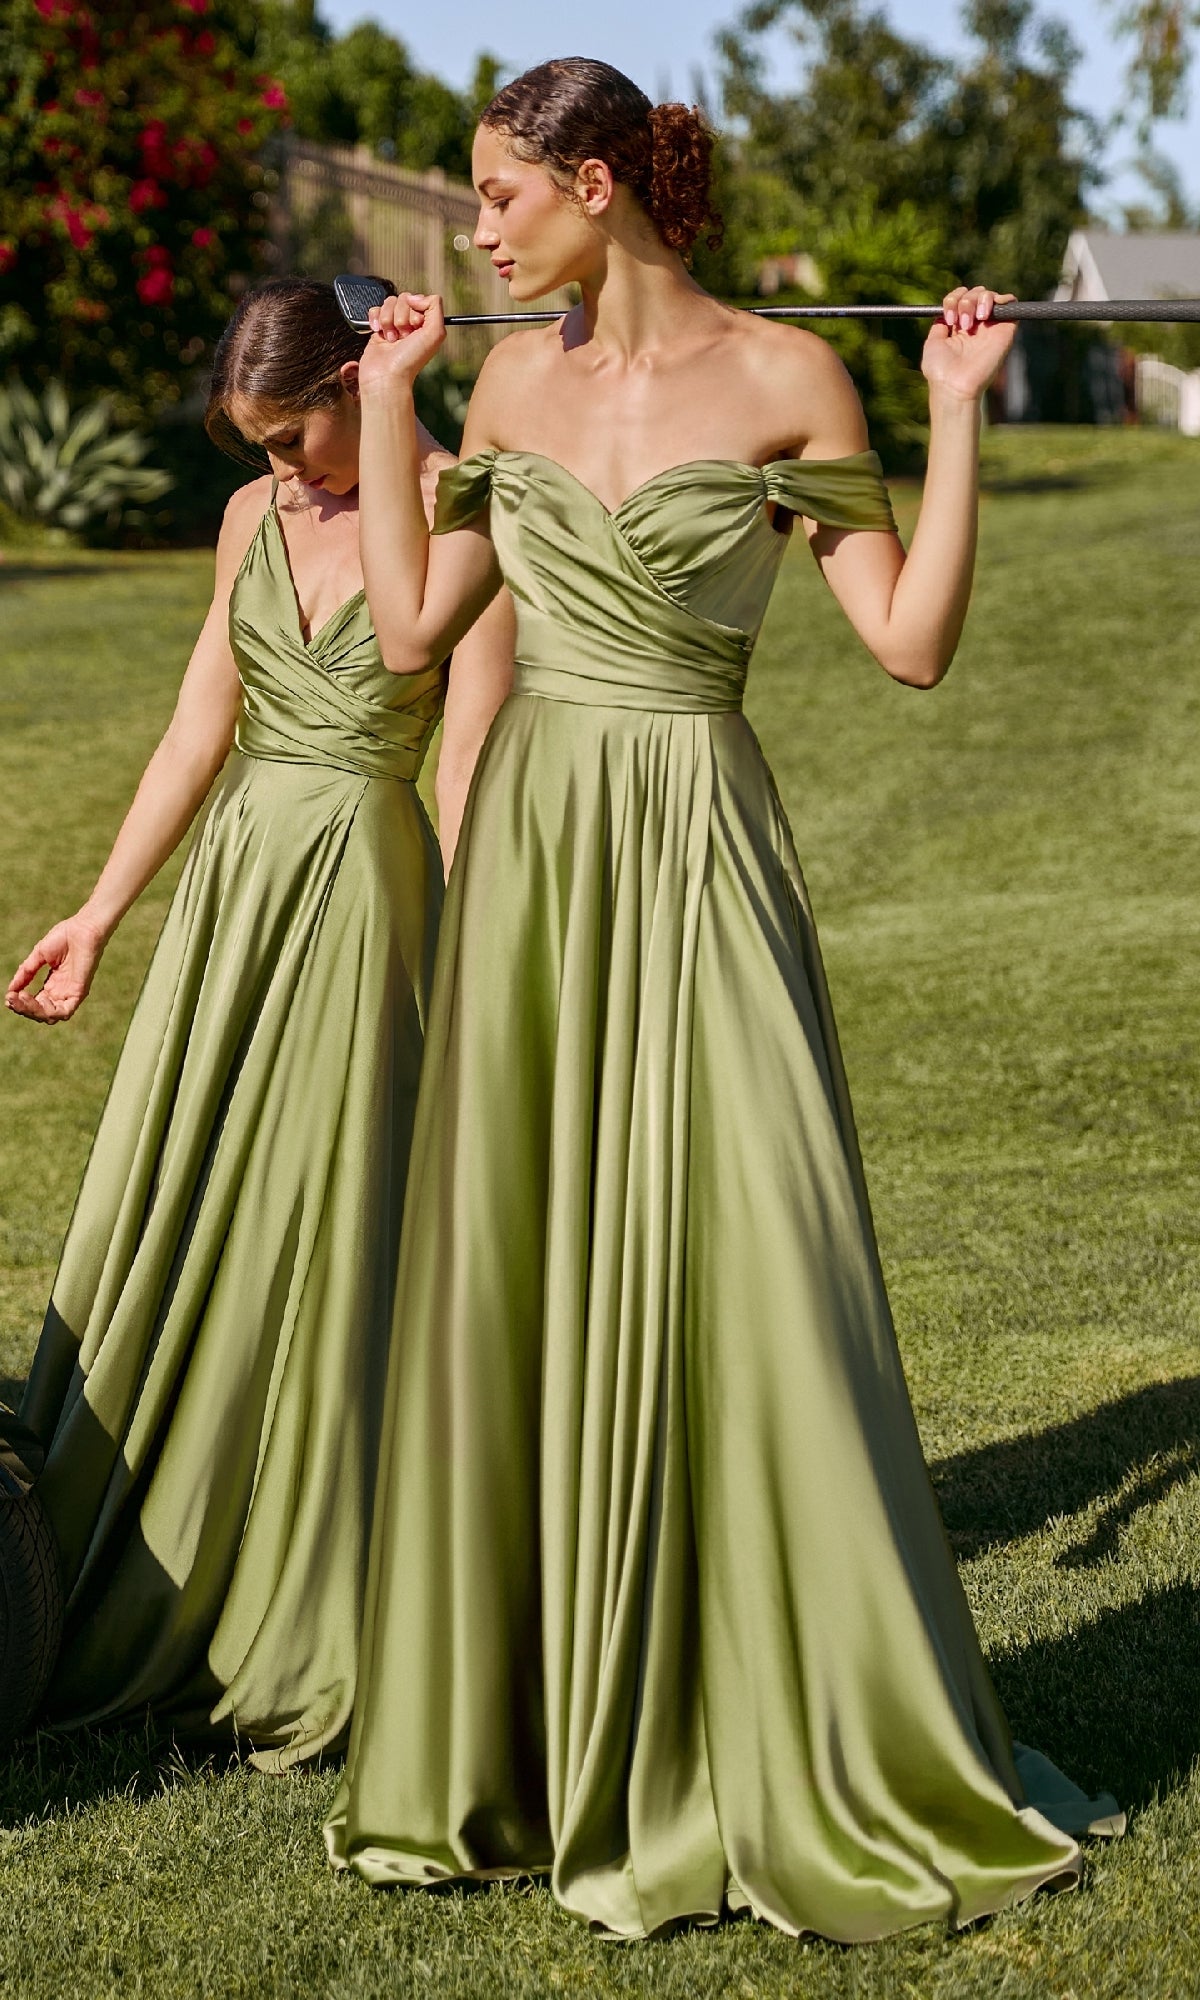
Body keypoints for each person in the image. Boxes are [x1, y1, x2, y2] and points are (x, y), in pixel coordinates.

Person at [325, 60, 1121, 1936]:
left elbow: (910, 648)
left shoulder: (788, 378)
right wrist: (386, 409)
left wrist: (950, 416)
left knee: (760, 1252)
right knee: (524, 1265)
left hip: (699, 845)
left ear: (596, 189)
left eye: (501, 193)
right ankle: (530, 1737)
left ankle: (784, 1710)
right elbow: (410, 636)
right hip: (536, 862)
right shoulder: (508, 384)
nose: (480, 228)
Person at [5, 277, 512, 1768]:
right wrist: (101, 911)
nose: (284, 472)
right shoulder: (248, 523)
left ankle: (301, 1582)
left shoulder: (465, 509)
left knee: (322, 1227)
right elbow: (194, 728)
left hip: (365, 894)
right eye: (258, 444)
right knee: (180, 1199)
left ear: (361, 381)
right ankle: (108, 1554)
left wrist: (482, 947)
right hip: (235, 893)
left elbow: (469, 751)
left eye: (295, 437)